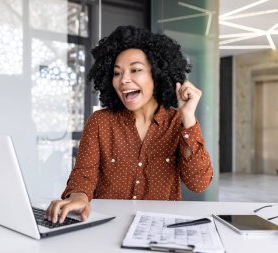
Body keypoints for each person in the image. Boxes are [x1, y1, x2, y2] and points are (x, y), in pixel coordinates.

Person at [45, 25, 213, 224]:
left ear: (157, 74)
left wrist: (188, 116)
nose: (124, 79)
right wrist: (78, 196)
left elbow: (198, 183)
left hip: (160, 228)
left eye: (136, 70)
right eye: (117, 73)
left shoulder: (179, 123)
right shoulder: (100, 122)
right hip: (107, 225)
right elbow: (84, 174)